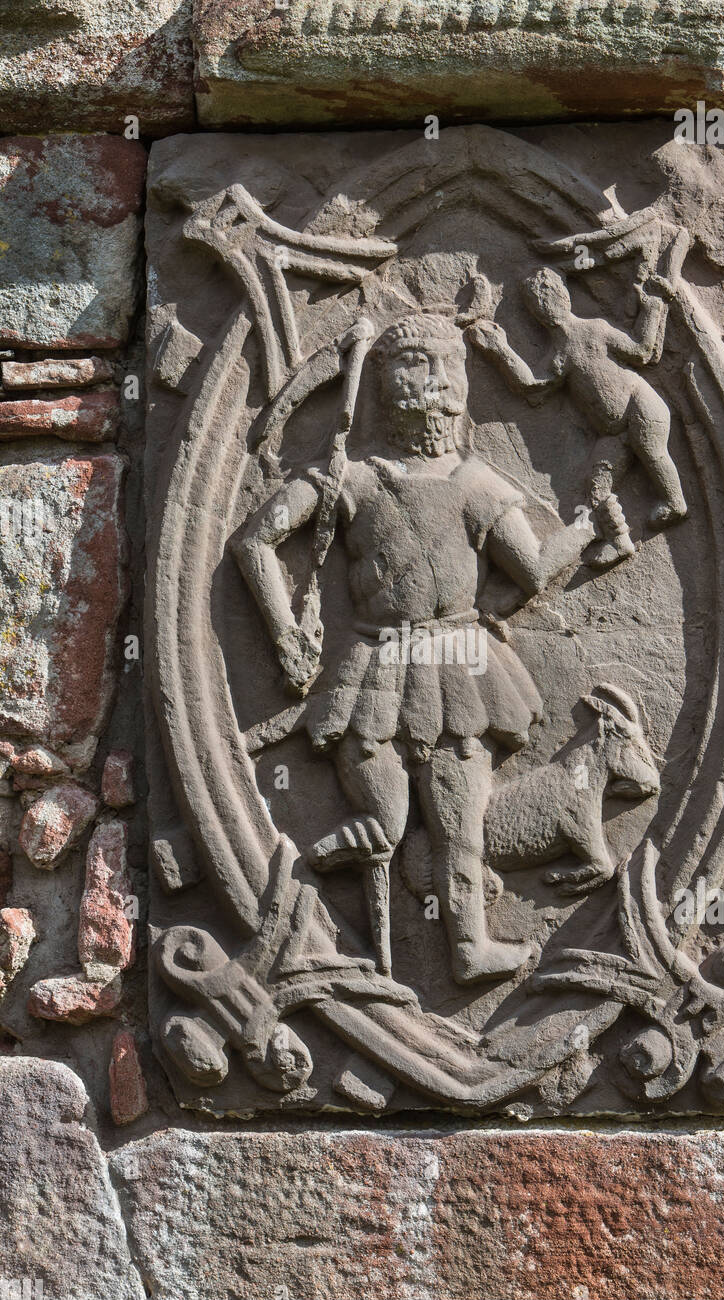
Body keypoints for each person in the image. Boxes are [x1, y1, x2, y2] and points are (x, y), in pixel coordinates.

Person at [232, 311, 589, 984]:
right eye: (414, 366)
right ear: (385, 387)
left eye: (443, 367)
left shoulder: (476, 486)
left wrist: (582, 531)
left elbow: (532, 573)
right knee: (396, 818)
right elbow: (253, 541)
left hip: (459, 671)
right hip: (377, 669)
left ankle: (467, 947)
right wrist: (283, 631)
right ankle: (325, 887)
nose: (434, 383)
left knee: (460, 820)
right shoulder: (351, 478)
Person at [469, 265, 687, 568]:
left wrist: (653, 307)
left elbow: (642, 351)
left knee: (651, 451)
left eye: (550, 295)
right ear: (534, 313)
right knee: (596, 486)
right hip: (613, 433)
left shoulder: (596, 329)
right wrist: (501, 351)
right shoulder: (559, 354)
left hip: (642, 406)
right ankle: (620, 541)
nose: (546, 305)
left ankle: (675, 503)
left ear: (565, 296)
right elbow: (532, 386)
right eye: (536, 302)